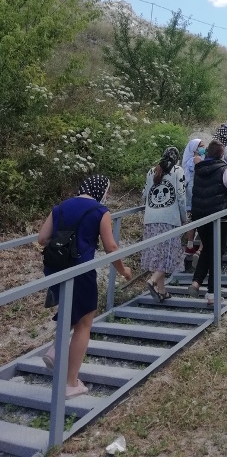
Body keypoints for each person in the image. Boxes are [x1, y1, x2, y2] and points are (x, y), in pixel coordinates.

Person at [38, 175, 132, 399]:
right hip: (81, 270)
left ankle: (55, 349)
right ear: (102, 191)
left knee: (71, 309)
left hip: (54, 269)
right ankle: (70, 383)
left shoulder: (61, 207)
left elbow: (42, 238)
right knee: (84, 322)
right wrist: (123, 270)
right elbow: (111, 247)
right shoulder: (100, 211)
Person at [187, 140, 227, 305]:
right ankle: (212, 293)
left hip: (200, 216)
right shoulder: (225, 170)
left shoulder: (199, 168)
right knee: (217, 253)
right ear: (222, 154)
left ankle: (196, 282)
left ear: (208, 153)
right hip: (219, 217)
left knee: (208, 249)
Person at [142, 147, 187, 302]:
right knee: (171, 254)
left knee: (157, 254)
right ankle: (152, 281)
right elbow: (180, 195)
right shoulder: (178, 171)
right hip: (169, 219)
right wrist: (183, 217)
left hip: (150, 218)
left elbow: (145, 194)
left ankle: (162, 291)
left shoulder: (151, 171)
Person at [181, 139, 205, 256]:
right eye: (201, 146)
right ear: (195, 148)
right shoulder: (197, 160)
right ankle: (201, 247)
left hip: (189, 190)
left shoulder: (187, 161)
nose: (203, 148)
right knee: (201, 217)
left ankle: (190, 245)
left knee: (192, 218)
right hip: (196, 189)